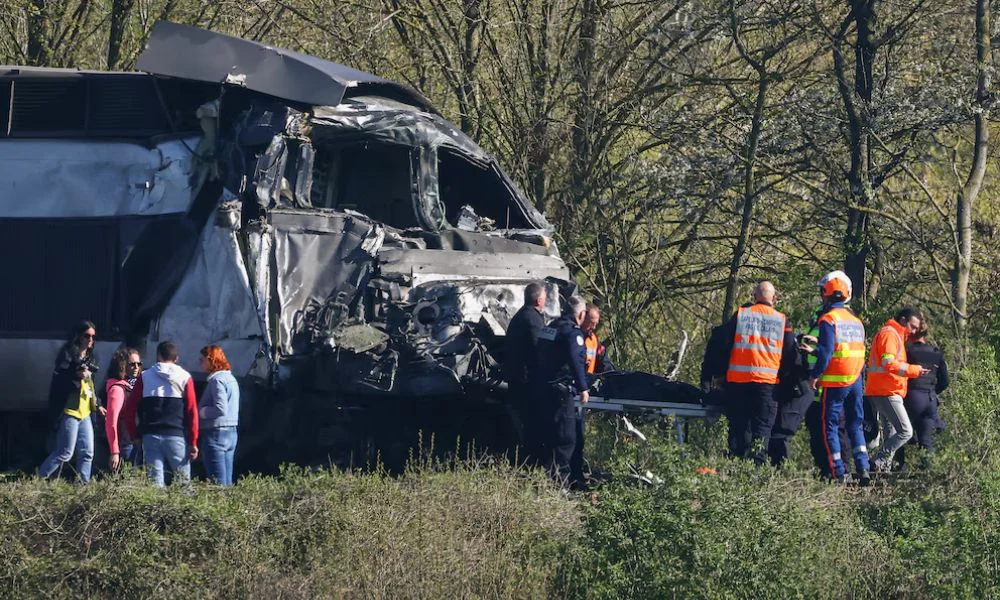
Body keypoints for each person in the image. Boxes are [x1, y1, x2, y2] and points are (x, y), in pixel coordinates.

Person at [719, 281, 798, 465]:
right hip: (767, 384)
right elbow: (790, 354)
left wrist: (719, 375)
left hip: (738, 382)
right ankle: (757, 470)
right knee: (762, 430)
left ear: (754, 297)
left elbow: (723, 345)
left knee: (738, 428)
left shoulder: (741, 315)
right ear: (774, 298)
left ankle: (735, 468)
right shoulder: (781, 320)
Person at [808, 271, 870, 484]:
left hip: (835, 381)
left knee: (831, 426)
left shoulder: (828, 319)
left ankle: (838, 472)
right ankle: (863, 468)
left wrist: (815, 375)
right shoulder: (856, 321)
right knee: (855, 424)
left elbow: (827, 353)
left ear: (825, 295)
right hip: (856, 380)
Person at [122, 341, 199, 487]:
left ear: (158, 356)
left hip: (150, 436)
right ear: (176, 358)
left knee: (155, 483)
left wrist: (134, 435)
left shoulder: (145, 377)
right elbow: (192, 411)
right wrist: (193, 441)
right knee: (183, 483)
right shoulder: (185, 377)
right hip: (176, 434)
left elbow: (130, 409)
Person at [38, 321, 105, 483]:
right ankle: (39, 478)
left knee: (87, 452)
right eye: (87, 336)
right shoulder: (67, 355)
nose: (90, 340)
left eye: (93, 337)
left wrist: (98, 404)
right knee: (65, 452)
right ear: (78, 336)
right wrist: (76, 375)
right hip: (69, 410)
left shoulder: (91, 359)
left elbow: (91, 386)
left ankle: (83, 485)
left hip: (85, 411)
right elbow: (59, 382)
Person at [864, 307, 928, 473]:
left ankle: (882, 471)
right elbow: (888, 364)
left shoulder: (895, 335)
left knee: (892, 433)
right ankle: (877, 462)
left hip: (885, 390)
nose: (913, 331)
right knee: (906, 431)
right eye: (912, 326)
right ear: (903, 320)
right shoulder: (890, 334)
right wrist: (914, 370)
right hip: (886, 391)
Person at [534, 296, 590, 485]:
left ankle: (544, 482)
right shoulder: (573, 333)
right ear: (581, 314)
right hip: (561, 392)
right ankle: (559, 484)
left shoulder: (549, 328)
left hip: (542, 388)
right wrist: (583, 388)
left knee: (548, 436)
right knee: (566, 439)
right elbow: (576, 360)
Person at [800, 306, 851, 478]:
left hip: (830, 388)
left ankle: (841, 470)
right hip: (815, 390)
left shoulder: (834, 326)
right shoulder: (818, 325)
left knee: (835, 430)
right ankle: (826, 472)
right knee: (817, 432)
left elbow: (830, 354)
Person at [570, 304, 614, 488]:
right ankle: (570, 478)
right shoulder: (573, 337)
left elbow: (605, 363)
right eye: (591, 322)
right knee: (570, 438)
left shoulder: (594, 340)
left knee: (579, 438)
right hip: (572, 391)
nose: (593, 327)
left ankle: (577, 476)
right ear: (582, 317)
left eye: (596, 324)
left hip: (584, 394)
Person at [505, 281, 548, 461]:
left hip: (517, 378)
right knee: (532, 423)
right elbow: (540, 348)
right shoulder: (532, 320)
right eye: (544, 298)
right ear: (539, 300)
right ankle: (532, 460)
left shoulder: (520, 317)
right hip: (527, 381)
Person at [898, 320, 949, 470]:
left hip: (912, 398)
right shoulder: (936, 353)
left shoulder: (907, 352)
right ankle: (928, 473)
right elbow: (945, 381)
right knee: (926, 441)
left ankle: (898, 468)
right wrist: (933, 391)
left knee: (899, 433)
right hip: (930, 400)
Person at [198, 345, 240, 486]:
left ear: (211, 360)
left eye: (202, 360)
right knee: (227, 481)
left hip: (216, 434)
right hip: (231, 432)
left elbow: (220, 408)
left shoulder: (217, 380)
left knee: (217, 482)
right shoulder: (231, 379)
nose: (199, 363)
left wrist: (201, 412)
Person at [105, 347, 142, 471]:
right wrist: (114, 451)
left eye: (139, 364)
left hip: (135, 441)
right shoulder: (118, 389)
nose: (136, 367)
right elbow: (111, 422)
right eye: (132, 364)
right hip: (125, 444)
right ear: (122, 365)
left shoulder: (134, 386)